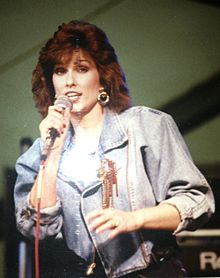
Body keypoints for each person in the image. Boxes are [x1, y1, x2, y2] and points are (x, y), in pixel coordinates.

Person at [14, 20, 215, 278]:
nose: (70, 82)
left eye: (82, 69)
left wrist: (136, 219)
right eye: (60, 71)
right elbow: (35, 228)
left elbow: (197, 200)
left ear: (102, 80)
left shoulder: (147, 126)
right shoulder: (40, 151)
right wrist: (51, 155)